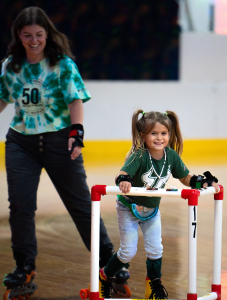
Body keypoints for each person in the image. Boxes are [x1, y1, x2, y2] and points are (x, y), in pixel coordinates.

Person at [0, 6, 129, 299]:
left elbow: (75, 100)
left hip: (60, 141)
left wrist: (77, 133)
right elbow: (2, 99)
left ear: (47, 34)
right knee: (19, 208)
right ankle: (24, 266)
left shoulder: (62, 64)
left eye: (39, 35)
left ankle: (108, 262)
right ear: (19, 36)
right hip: (21, 143)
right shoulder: (11, 66)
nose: (34, 40)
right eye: (27, 35)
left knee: (82, 206)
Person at [98, 109, 219, 299]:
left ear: (170, 135)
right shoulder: (139, 155)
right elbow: (122, 174)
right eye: (154, 133)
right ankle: (105, 275)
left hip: (152, 210)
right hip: (128, 207)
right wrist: (124, 180)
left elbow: (185, 177)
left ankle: (154, 285)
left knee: (156, 249)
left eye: (164, 133)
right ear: (142, 135)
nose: (159, 138)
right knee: (128, 251)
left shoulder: (170, 156)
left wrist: (203, 182)